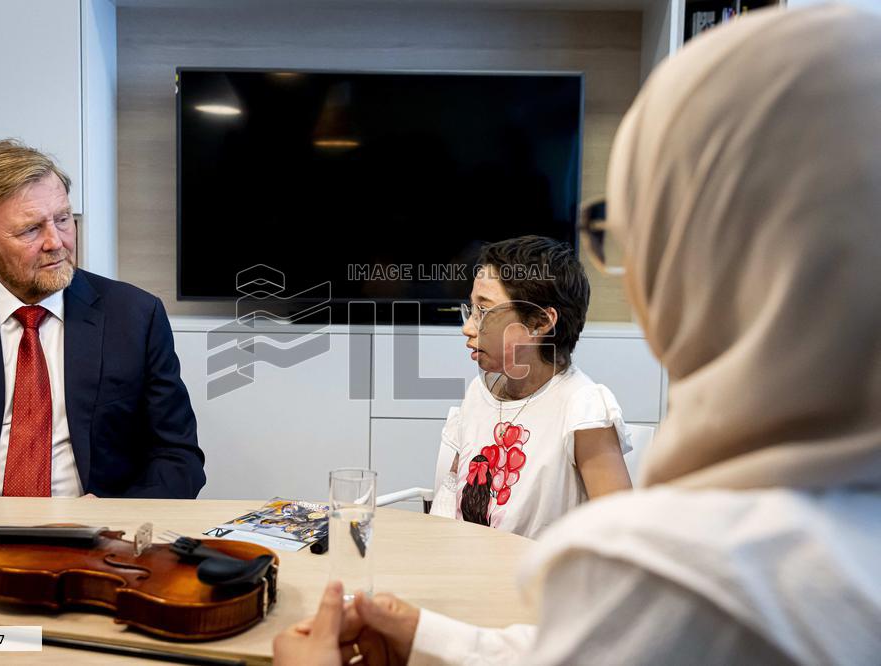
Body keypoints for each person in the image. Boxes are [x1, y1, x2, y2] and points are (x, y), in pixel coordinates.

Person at [274, 4, 881, 664]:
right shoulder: (821, 536)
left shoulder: (698, 583)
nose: (639, 275)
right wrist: (425, 630)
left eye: (640, 231)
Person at [0, 139, 206, 498]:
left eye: (63, 219)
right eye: (30, 229)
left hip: (100, 538)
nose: (56, 242)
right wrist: (4, 524)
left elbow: (178, 458)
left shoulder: (135, 316)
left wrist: (116, 519)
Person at [432, 235, 632, 537]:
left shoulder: (582, 407)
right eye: (471, 309)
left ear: (540, 322)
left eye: (484, 312)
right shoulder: (479, 391)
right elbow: (450, 499)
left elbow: (622, 536)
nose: (468, 327)